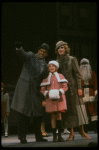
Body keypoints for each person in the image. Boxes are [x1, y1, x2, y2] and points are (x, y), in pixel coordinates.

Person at [11, 41, 49, 143]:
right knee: (22, 112)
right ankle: (22, 136)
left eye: (44, 52)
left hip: (35, 90)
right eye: (41, 50)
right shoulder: (31, 56)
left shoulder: (45, 66)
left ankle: (39, 136)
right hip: (25, 87)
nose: (42, 53)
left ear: (47, 54)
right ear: (38, 50)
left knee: (38, 114)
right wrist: (19, 47)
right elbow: (23, 55)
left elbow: (44, 79)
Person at [55, 41, 91, 141]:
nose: (60, 49)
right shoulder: (57, 62)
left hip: (74, 89)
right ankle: (71, 133)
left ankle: (82, 131)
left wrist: (79, 88)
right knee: (68, 111)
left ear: (65, 48)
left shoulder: (72, 59)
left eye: (62, 47)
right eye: (58, 48)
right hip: (64, 90)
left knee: (79, 109)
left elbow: (78, 74)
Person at [40, 60, 68, 142]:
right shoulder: (46, 78)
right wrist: (47, 93)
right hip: (50, 99)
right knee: (52, 116)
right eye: (50, 66)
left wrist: (60, 92)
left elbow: (65, 87)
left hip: (59, 98)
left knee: (59, 115)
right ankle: (54, 136)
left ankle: (59, 135)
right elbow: (42, 89)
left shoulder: (60, 76)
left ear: (56, 67)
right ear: (48, 68)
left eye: (53, 66)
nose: (51, 67)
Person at [80, 58, 98, 133]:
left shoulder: (92, 73)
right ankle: (86, 129)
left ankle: (95, 128)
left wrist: (96, 92)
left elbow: (96, 83)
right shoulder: (79, 75)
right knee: (85, 111)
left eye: (85, 63)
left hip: (91, 93)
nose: (84, 65)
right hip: (83, 94)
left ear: (88, 64)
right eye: (83, 64)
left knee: (93, 111)